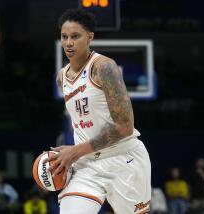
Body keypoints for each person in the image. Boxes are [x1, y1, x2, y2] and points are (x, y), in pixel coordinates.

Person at [45, 8, 151, 214]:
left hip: (124, 159)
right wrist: (74, 148)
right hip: (88, 164)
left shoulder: (104, 68)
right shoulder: (62, 77)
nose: (68, 42)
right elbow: (85, 121)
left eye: (75, 36)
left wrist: (76, 151)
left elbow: (125, 127)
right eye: (64, 37)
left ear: (90, 37)